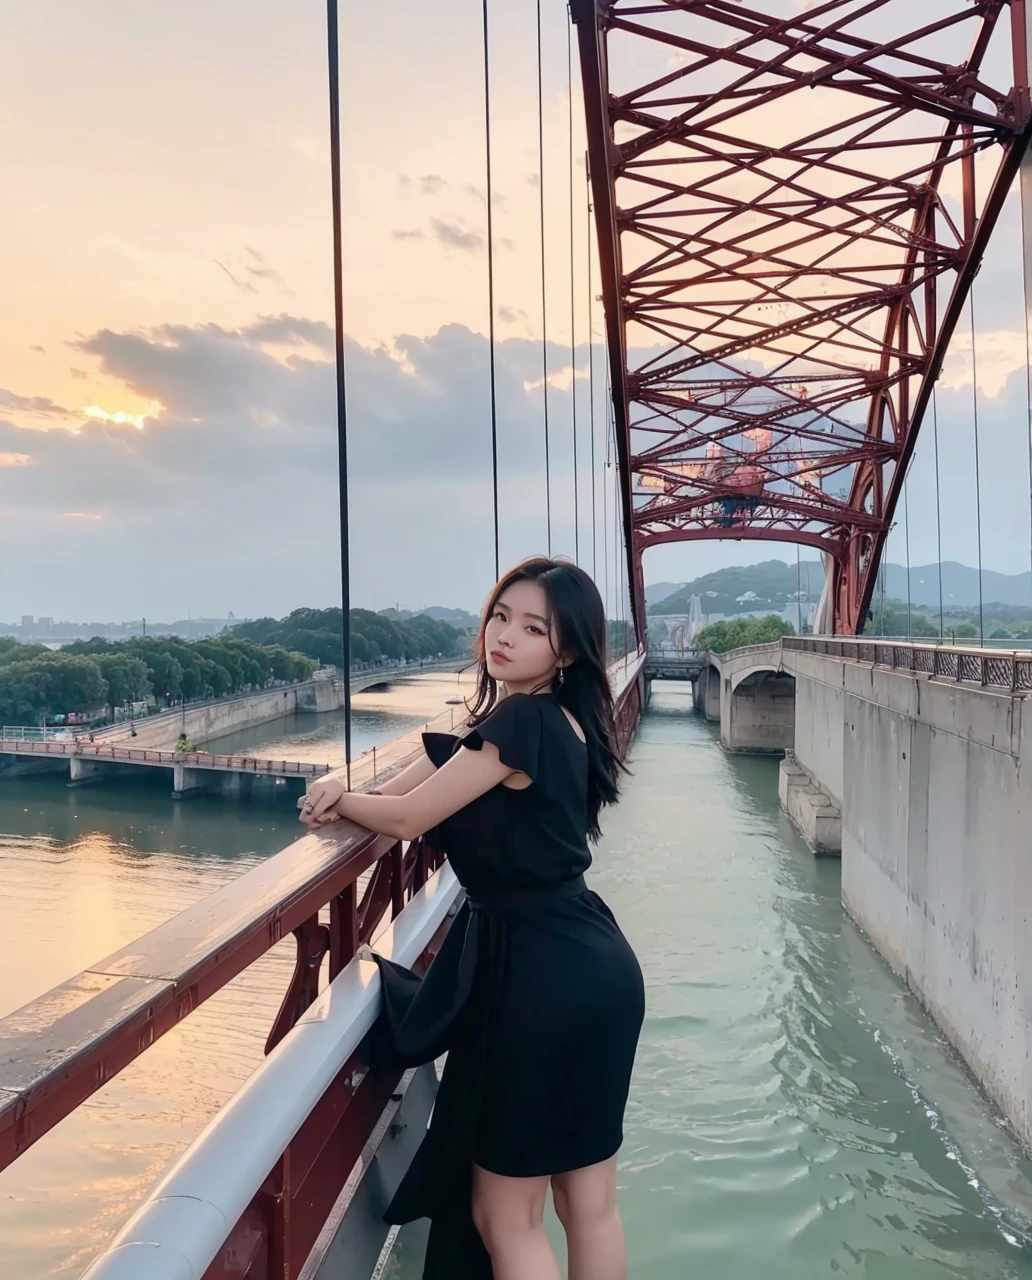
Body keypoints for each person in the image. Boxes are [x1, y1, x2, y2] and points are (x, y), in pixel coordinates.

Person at [300, 556, 645, 1280]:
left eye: (533, 627)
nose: (505, 636)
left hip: (538, 976)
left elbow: (407, 817)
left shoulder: (518, 719)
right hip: (598, 964)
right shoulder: (566, 720)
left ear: (569, 650)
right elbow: (438, 768)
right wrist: (361, 790)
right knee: (589, 1203)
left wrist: (335, 794)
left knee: (503, 1213)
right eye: (499, 616)